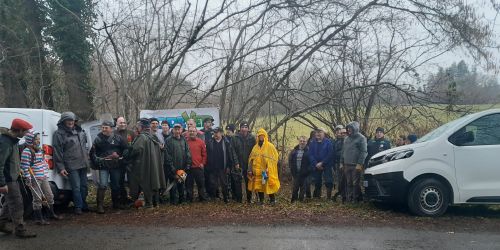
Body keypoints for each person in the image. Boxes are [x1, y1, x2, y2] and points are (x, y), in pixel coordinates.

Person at [0, 119, 37, 238]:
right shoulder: (6, 142)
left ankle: (1, 224)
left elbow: (11, 160)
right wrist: (1, 183)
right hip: (8, 179)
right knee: (17, 204)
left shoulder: (13, 141)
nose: (26, 134)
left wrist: (18, 169)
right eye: (25, 131)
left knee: (9, 203)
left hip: (12, 176)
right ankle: (20, 230)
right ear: (19, 130)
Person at [53, 112, 90, 215]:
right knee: (76, 187)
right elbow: (57, 151)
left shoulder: (80, 131)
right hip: (71, 165)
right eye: (68, 120)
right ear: (63, 121)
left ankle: (84, 205)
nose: (70, 122)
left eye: (72, 120)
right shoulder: (58, 134)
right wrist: (61, 167)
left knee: (84, 186)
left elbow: (85, 146)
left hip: (83, 163)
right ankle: (78, 207)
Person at [21, 131, 61, 225]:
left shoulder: (39, 150)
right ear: (31, 141)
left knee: (49, 195)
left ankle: (51, 213)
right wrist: (27, 178)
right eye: (36, 139)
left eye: (39, 139)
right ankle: (38, 218)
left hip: (43, 177)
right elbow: (25, 166)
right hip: (34, 178)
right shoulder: (26, 152)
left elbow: (43, 163)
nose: (38, 141)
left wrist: (46, 172)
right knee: (37, 198)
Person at [90, 121, 129, 213]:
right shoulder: (98, 139)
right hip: (104, 165)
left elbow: (126, 149)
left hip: (116, 165)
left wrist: (120, 156)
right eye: (103, 127)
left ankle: (116, 203)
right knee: (103, 184)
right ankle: (99, 206)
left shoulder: (118, 138)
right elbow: (92, 153)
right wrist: (98, 160)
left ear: (111, 128)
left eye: (106, 127)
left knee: (115, 185)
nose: (104, 129)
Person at [126, 118, 166, 208]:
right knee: (154, 182)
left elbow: (135, 150)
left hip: (144, 165)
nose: (137, 128)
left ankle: (149, 204)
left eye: (138, 126)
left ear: (142, 127)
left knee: (146, 183)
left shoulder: (142, 137)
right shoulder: (153, 136)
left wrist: (128, 152)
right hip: (153, 166)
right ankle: (156, 203)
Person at [206, 127, 239, 203]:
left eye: (217, 133)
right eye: (214, 133)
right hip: (213, 167)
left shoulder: (226, 142)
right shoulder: (210, 142)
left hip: (223, 167)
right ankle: (214, 198)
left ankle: (225, 197)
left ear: (221, 133)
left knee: (224, 184)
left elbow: (230, 155)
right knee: (213, 183)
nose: (215, 134)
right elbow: (207, 155)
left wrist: (229, 166)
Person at [247, 129, 280, 205]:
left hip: (265, 171)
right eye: (259, 136)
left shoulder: (270, 146)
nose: (261, 137)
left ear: (265, 136)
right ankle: (261, 201)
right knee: (259, 186)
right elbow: (251, 159)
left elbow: (274, 158)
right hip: (257, 171)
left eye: (262, 135)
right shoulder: (255, 147)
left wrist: (269, 167)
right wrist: (250, 169)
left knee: (268, 185)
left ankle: (272, 200)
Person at [164, 123, 192, 204]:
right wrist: (172, 169)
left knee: (182, 184)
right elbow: (167, 155)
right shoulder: (168, 140)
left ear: (181, 130)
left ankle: (182, 200)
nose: (177, 131)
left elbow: (188, 152)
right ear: (173, 130)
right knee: (173, 185)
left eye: (178, 129)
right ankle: (173, 201)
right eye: (175, 129)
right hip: (172, 168)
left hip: (183, 168)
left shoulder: (184, 140)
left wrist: (188, 164)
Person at [340, 121, 367, 203]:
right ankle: (349, 198)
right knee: (348, 183)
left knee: (356, 183)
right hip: (346, 164)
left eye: (350, 128)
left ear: (355, 128)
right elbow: (343, 151)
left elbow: (364, 152)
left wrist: (360, 163)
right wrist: (341, 162)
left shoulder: (361, 138)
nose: (348, 130)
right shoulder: (346, 138)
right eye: (348, 128)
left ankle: (355, 199)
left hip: (356, 165)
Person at [232, 121, 256, 203]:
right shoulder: (235, 138)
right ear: (240, 128)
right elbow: (233, 151)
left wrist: (252, 164)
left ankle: (249, 199)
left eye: (246, 127)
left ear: (248, 129)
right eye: (242, 127)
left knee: (248, 182)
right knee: (238, 182)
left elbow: (254, 152)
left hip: (248, 164)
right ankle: (239, 199)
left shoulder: (252, 138)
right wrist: (236, 162)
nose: (244, 129)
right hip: (238, 164)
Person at [308, 127, 335, 200]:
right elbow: (310, 154)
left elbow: (330, 154)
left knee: (328, 181)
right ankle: (317, 196)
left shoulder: (328, 142)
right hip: (316, 165)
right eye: (317, 132)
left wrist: (322, 163)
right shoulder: (312, 142)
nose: (318, 134)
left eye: (320, 132)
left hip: (326, 165)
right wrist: (316, 164)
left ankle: (329, 197)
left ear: (324, 134)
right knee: (317, 181)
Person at [115, 116, 135, 207]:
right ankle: (123, 199)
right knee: (120, 182)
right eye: (120, 123)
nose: (122, 124)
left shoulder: (131, 133)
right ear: (117, 124)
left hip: (130, 161)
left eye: (124, 122)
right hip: (119, 162)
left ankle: (134, 199)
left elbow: (136, 145)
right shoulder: (114, 134)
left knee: (132, 181)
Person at [185, 127, 208, 202]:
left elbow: (204, 154)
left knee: (201, 184)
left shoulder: (201, 142)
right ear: (188, 132)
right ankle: (189, 199)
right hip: (188, 168)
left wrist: (203, 163)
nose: (192, 132)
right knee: (189, 185)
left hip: (198, 167)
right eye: (190, 131)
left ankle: (202, 198)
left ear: (196, 132)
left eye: (193, 131)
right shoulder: (185, 142)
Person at [289, 136, 310, 203]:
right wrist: (292, 169)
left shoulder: (309, 151)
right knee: (295, 187)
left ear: (306, 142)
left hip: (305, 173)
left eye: (304, 141)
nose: (302, 142)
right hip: (296, 173)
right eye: (301, 141)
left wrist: (308, 171)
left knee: (303, 188)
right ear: (299, 142)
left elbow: (311, 163)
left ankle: (301, 201)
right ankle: (294, 200)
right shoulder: (294, 151)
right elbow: (290, 161)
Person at [332, 127, 347, 202]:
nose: (343, 134)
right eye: (341, 133)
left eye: (344, 133)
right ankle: (343, 196)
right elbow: (335, 153)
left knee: (349, 181)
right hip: (339, 164)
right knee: (340, 180)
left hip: (349, 164)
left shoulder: (350, 141)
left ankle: (351, 196)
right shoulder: (337, 142)